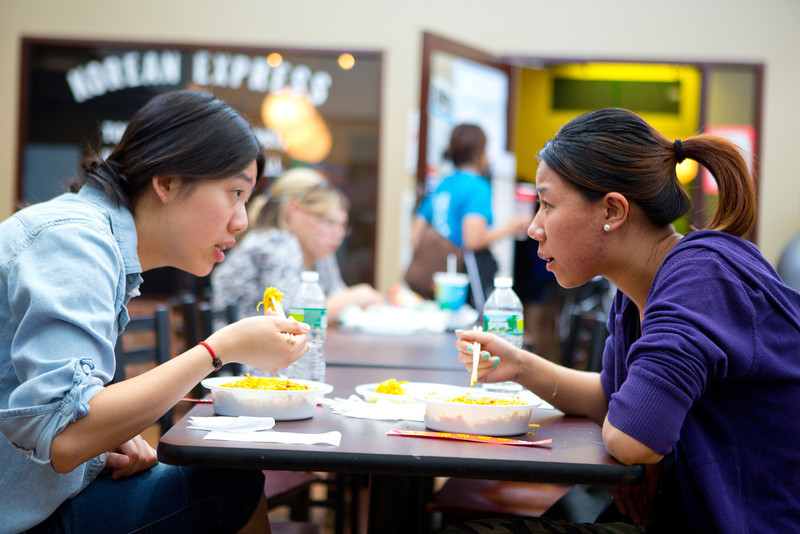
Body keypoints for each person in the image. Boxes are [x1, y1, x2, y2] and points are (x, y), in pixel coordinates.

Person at [449, 108, 800, 533]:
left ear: (612, 211)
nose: (534, 228)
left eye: (547, 204)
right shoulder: (637, 289)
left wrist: (644, 445)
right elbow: (612, 399)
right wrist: (519, 365)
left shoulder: (701, 279)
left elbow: (631, 438)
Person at [0, 90, 311, 534]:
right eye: (235, 192)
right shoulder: (75, 242)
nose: (241, 220)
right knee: (232, 486)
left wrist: (104, 435)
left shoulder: (93, 239)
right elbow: (65, 438)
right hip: (18, 516)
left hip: (36, 493)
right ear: (167, 183)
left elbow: (62, 419)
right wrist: (218, 349)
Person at [211, 167, 382, 328]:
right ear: (293, 210)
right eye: (328, 222)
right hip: (239, 346)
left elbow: (338, 296)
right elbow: (288, 319)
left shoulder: (318, 251)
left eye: (342, 225)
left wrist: (351, 300)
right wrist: (356, 296)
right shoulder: (275, 243)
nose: (338, 234)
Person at [411, 123, 530, 299]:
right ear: (478, 152)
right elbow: (473, 240)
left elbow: (415, 238)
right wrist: (510, 229)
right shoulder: (478, 187)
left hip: (435, 280)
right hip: (463, 280)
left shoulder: (441, 184)